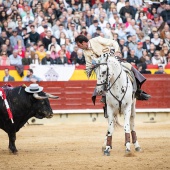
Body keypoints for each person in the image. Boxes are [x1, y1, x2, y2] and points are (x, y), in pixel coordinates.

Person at [75, 35, 151, 102]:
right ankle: (104, 97)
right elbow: (88, 63)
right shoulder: (85, 52)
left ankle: (137, 91)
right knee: (101, 79)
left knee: (128, 66)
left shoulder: (97, 40)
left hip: (113, 60)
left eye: (79, 45)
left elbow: (113, 42)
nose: (79, 47)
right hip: (102, 67)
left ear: (84, 42)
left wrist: (117, 51)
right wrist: (89, 71)